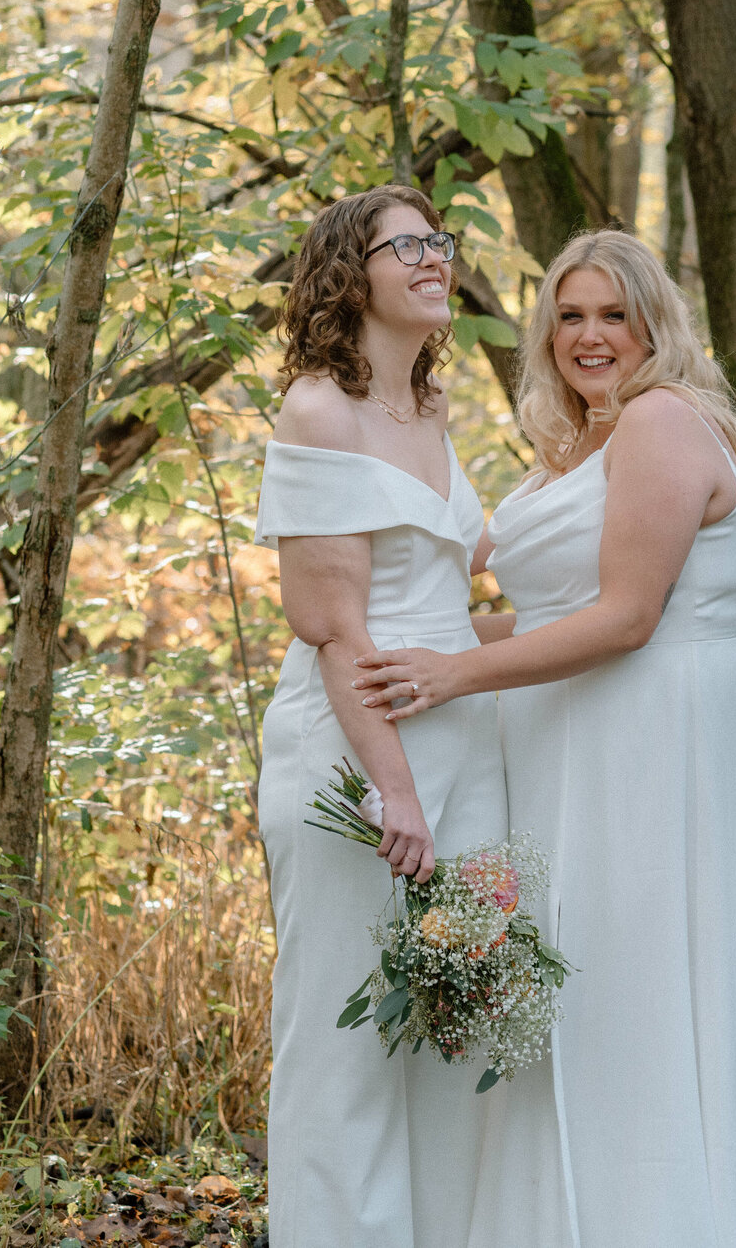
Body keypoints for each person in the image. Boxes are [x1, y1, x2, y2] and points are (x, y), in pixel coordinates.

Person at [353, 230, 736, 1248]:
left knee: (633, 998)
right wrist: (422, 641)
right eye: (569, 315)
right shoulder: (591, 443)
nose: (589, 336)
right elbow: (559, 612)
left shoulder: (661, 423)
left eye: (613, 314)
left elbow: (628, 617)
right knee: (579, 1001)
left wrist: (455, 671)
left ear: (656, 322)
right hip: (572, 738)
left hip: (651, 748)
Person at [254, 187, 507, 1248]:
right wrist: (393, 790)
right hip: (360, 756)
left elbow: (467, 600)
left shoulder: (434, 409)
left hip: (467, 746)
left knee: (455, 1022)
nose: (434, 258)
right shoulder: (320, 407)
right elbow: (333, 627)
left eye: (440, 243)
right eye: (408, 246)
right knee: (347, 1040)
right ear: (349, 273)